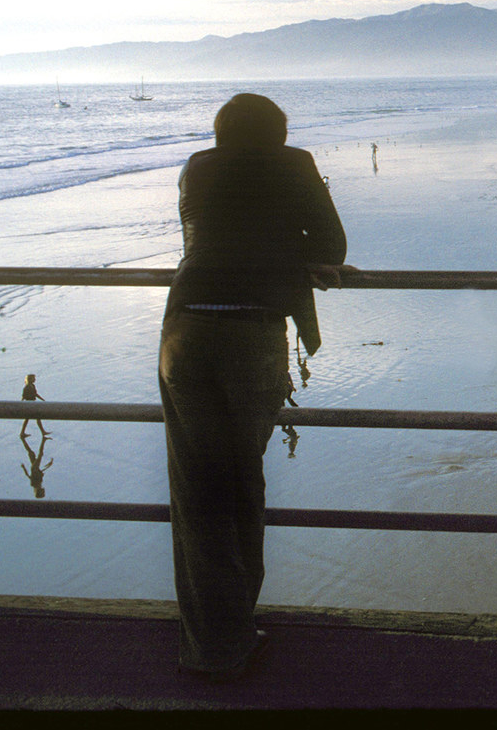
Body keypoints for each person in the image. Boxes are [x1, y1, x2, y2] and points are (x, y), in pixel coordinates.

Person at [158, 93, 351, 680]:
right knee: (241, 483)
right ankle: (233, 637)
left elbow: (205, 239)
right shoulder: (295, 163)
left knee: (195, 495)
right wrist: (288, 253)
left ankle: (212, 644)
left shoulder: (196, 166)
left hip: (184, 334)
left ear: (218, 134)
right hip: (250, 337)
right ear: (280, 133)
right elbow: (331, 248)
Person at [19, 373, 48, 438]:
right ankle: (22, 433)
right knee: (31, 418)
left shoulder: (32, 385)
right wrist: (20, 404)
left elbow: (35, 394)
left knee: (34, 418)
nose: (35, 379)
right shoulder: (26, 387)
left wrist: (42, 400)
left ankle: (23, 432)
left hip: (33, 404)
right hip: (28, 405)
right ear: (30, 379)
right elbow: (23, 396)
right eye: (34, 378)